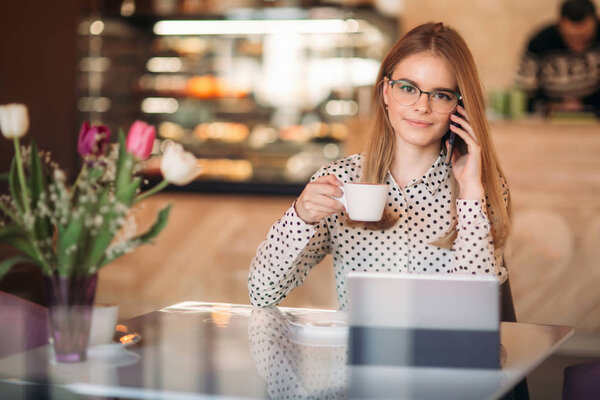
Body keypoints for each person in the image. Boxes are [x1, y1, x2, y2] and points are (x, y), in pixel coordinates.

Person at [248, 22, 511, 311]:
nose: (422, 106)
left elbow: (475, 313)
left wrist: (472, 193)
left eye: (441, 95)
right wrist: (300, 217)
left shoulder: (481, 186)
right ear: (386, 92)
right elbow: (261, 293)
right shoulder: (340, 180)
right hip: (358, 355)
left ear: (460, 106)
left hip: (440, 354)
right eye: (408, 88)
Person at [515, 0, 600, 115]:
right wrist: (551, 107)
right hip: (549, 121)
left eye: (585, 39)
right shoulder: (540, 43)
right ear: (560, 24)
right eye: (571, 38)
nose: (578, 46)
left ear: (596, 22)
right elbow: (524, 92)